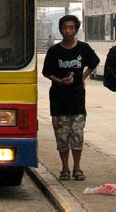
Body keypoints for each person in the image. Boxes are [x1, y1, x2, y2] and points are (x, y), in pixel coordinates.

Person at [42, 14, 100, 182]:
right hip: (59, 100)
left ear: (76, 29)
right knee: (62, 136)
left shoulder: (84, 48)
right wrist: (60, 81)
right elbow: (46, 72)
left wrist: (83, 77)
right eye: (65, 28)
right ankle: (65, 168)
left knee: (77, 135)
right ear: (60, 29)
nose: (68, 31)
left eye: (71, 28)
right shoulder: (54, 51)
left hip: (77, 99)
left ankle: (77, 167)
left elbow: (94, 62)